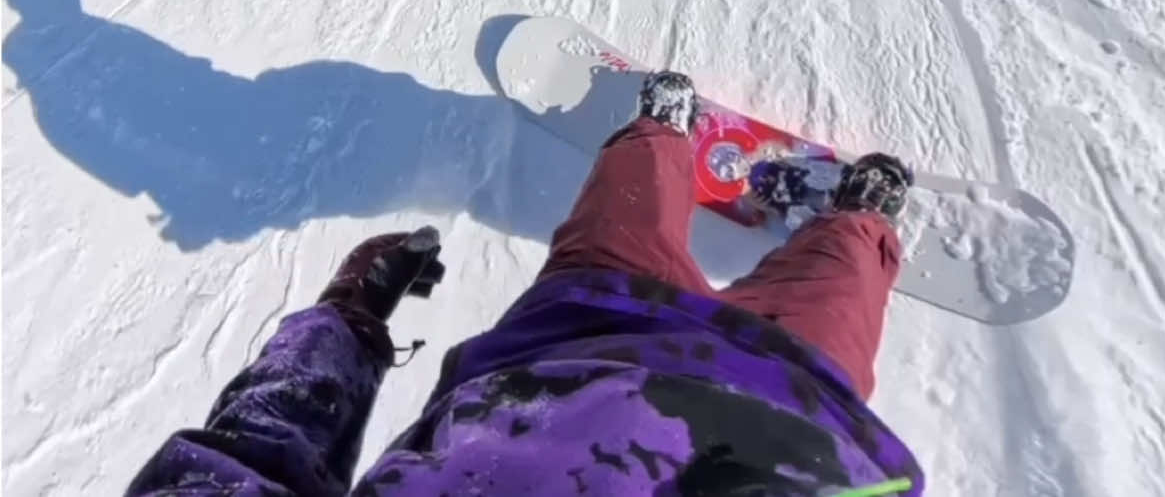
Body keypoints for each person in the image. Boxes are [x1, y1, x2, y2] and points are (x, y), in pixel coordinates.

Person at [124, 70, 923, 496]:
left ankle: (660, 130)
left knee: (622, 211)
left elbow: (247, 463)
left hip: (582, 337)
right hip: (793, 397)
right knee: (839, 287)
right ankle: (858, 219)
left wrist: (347, 318)